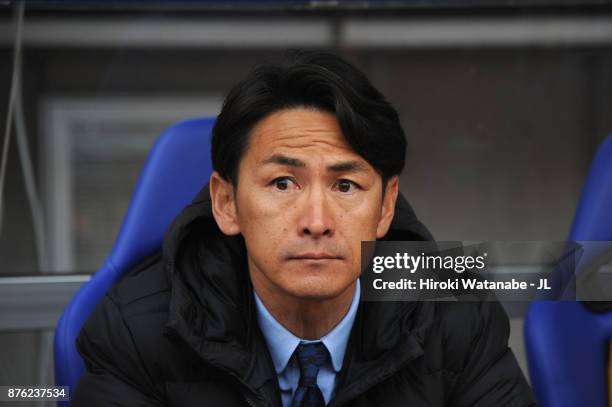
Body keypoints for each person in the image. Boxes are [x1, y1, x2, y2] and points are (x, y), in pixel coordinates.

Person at [73, 51, 536, 406]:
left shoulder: (458, 310)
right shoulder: (136, 328)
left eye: (346, 185)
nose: (317, 222)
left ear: (386, 205)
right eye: (283, 183)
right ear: (226, 202)